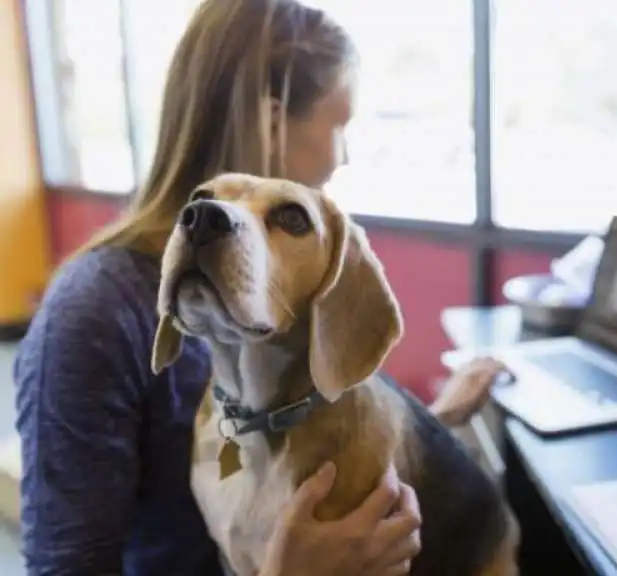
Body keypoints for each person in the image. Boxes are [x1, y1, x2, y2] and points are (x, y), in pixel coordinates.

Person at [13, 1, 507, 574]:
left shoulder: (284, 301)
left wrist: (430, 428)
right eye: (340, 124)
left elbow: (302, 431)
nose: (342, 155)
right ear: (269, 122)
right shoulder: (91, 313)